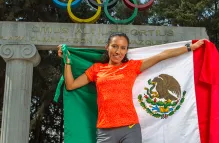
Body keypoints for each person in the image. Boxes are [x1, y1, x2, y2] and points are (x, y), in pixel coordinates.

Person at [57, 32, 205, 143]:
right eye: (114, 46)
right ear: (107, 47)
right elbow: (71, 85)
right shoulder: (97, 69)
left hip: (130, 129)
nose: (118, 51)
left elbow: (161, 56)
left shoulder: (131, 67)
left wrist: (189, 47)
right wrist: (67, 61)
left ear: (126, 50)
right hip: (104, 131)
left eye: (123, 48)